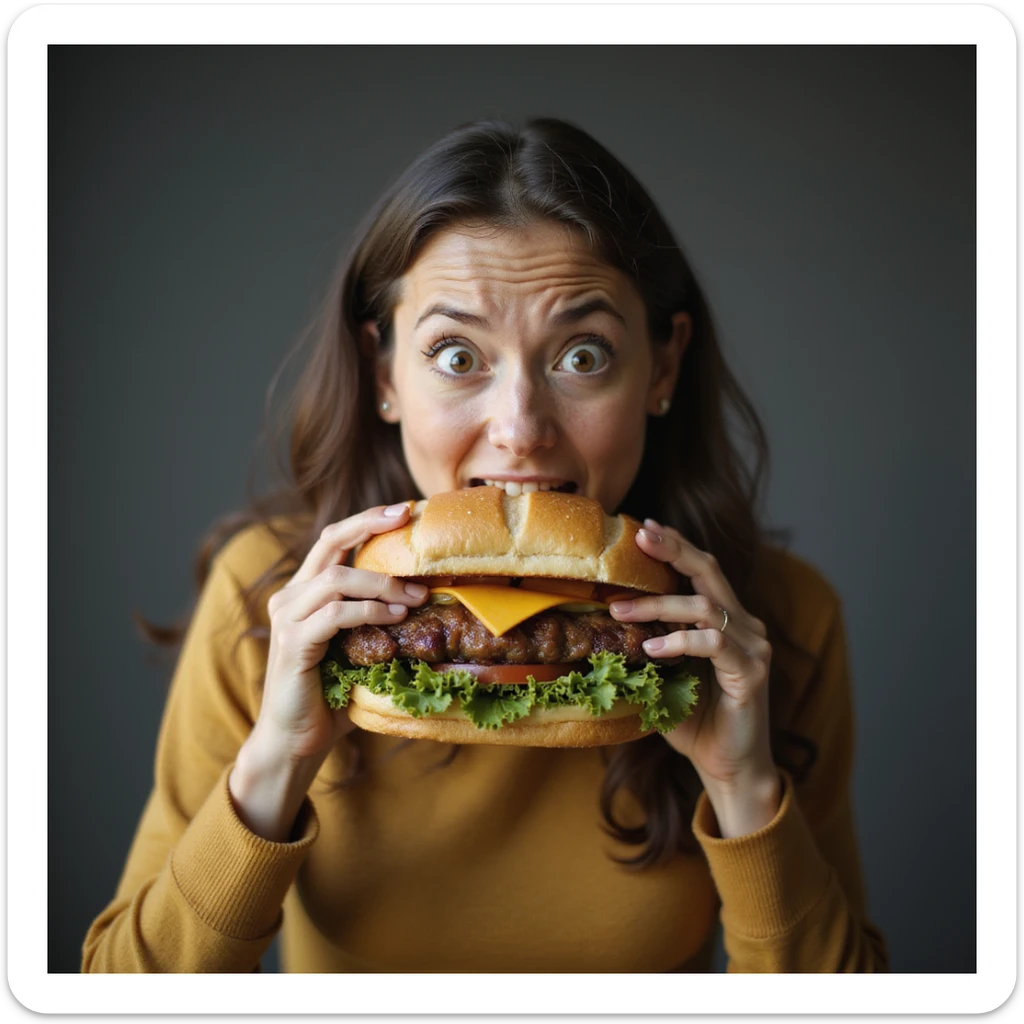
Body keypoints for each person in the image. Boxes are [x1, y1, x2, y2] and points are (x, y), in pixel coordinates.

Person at [82, 116, 888, 973]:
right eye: (457, 355)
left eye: (583, 355)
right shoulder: (275, 601)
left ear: (661, 367)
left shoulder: (769, 629)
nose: (521, 431)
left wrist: (744, 786)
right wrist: (275, 762)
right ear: (386, 373)